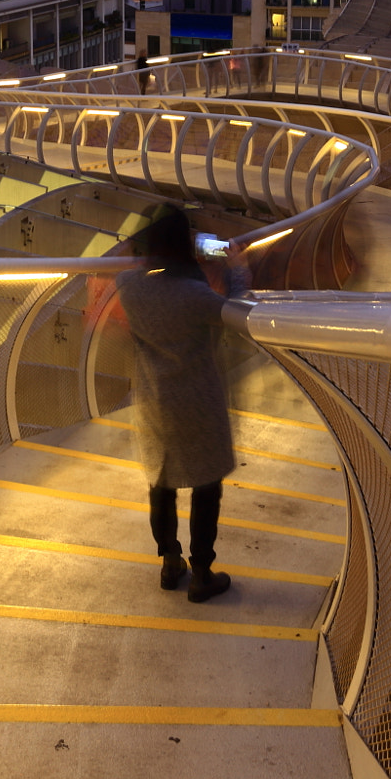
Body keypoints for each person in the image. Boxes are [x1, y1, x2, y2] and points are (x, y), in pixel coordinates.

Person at [114, 207, 246, 603]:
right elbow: (238, 311)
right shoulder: (195, 295)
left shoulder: (129, 286)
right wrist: (235, 265)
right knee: (206, 488)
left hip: (156, 403)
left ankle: (171, 562)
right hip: (199, 403)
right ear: (181, 243)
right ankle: (202, 572)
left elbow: (139, 270)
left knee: (161, 484)